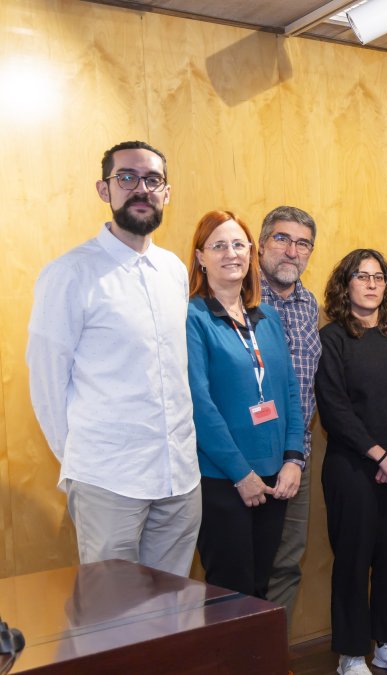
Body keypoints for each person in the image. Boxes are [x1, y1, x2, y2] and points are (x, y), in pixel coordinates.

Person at [27, 141, 201, 576]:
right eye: (126, 177)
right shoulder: (70, 273)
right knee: (113, 619)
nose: (140, 188)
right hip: (109, 480)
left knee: (171, 615)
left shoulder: (174, 270)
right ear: (105, 190)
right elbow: (47, 380)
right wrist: (82, 464)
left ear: (166, 193)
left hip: (178, 477)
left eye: (152, 180)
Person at [316, 249, 387, 675]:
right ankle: (350, 652)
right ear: (345, 284)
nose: (370, 283)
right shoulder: (332, 338)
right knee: (353, 558)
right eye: (361, 276)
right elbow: (334, 408)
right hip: (354, 468)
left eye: (378, 276)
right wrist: (379, 455)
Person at [186, 210, 304, 598]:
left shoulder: (266, 316)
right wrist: (241, 474)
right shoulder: (192, 317)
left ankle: (256, 662)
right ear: (201, 257)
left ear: (251, 252)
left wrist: (293, 459)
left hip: (275, 477)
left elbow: (289, 393)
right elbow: (199, 406)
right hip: (224, 479)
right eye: (219, 245)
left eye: (238, 244)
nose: (230, 253)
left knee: (259, 587)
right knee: (228, 593)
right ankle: (231, 663)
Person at [258, 206, 322, 624]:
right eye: (282, 239)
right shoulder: (237, 297)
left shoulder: (308, 304)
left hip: (296, 458)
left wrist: (295, 456)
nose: (291, 251)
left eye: (302, 243)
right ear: (260, 245)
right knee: (239, 569)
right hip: (245, 459)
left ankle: (268, 658)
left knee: (286, 563)